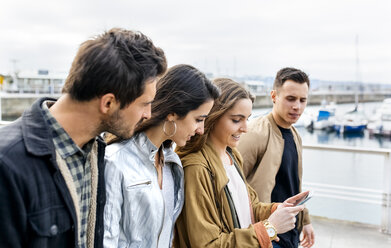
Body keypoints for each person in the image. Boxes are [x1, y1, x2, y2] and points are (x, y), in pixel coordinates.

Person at [0, 28, 166, 248]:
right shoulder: (8, 164)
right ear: (108, 103)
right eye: (145, 104)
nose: (149, 114)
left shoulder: (93, 151)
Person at [174, 78, 308, 248]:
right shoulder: (196, 168)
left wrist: (277, 209)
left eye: (247, 119)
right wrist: (269, 229)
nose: (245, 128)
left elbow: (249, 207)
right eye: (237, 120)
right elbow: (207, 244)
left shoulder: (232, 155)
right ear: (212, 117)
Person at [103, 64, 220, 248]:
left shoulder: (172, 162)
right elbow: (106, 239)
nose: (201, 130)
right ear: (173, 113)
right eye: (198, 119)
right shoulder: (115, 160)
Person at [237, 67, 315, 248]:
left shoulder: (295, 135)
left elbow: (293, 184)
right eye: (291, 99)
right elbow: (232, 183)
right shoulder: (256, 132)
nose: (297, 106)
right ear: (274, 96)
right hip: (267, 235)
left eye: (303, 100)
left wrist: (305, 220)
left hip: (291, 233)